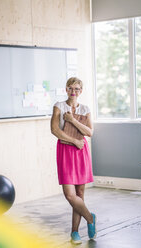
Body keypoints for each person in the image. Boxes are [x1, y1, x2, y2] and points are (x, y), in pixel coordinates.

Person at [50, 77, 96, 244]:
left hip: (80, 151)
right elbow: (54, 129)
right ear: (66, 89)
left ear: (81, 91)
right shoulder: (59, 106)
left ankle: (74, 233)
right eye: (70, 88)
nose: (73, 91)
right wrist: (74, 141)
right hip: (66, 150)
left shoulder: (85, 109)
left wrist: (73, 120)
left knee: (80, 194)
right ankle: (90, 218)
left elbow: (90, 132)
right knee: (70, 195)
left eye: (77, 89)